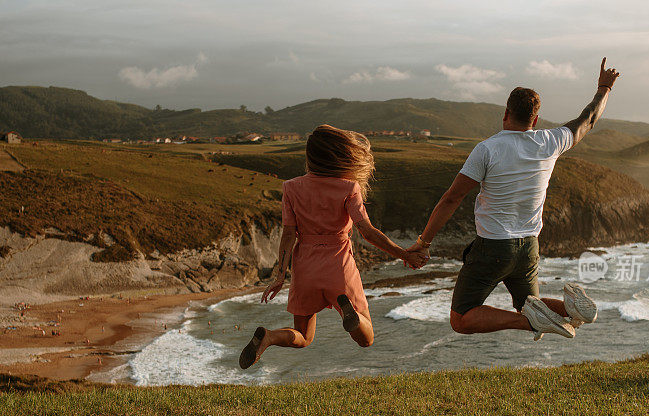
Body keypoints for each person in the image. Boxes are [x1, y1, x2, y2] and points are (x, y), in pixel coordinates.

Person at [407, 57, 621, 339]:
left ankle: (532, 323)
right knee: (529, 305)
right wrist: (604, 89)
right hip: (528, 247)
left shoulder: (487, 149)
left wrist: (423, 243)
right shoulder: (551, 140)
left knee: (461, 318)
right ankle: (571, 309)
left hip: (494, 246)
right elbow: (588, 119)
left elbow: (451, 198)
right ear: (535, 119)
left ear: (506, 113)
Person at [239, 124, 427, 369]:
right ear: (341, 155)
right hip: (338, 264)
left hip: (305, 267)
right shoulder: (349, 188)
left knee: (304, 337)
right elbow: (367, 232)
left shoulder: (291, 187)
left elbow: (288, 235)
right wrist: (405, 254)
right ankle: (353, 318)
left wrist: (280, 275)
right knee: (366, 338)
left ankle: (270, 337)